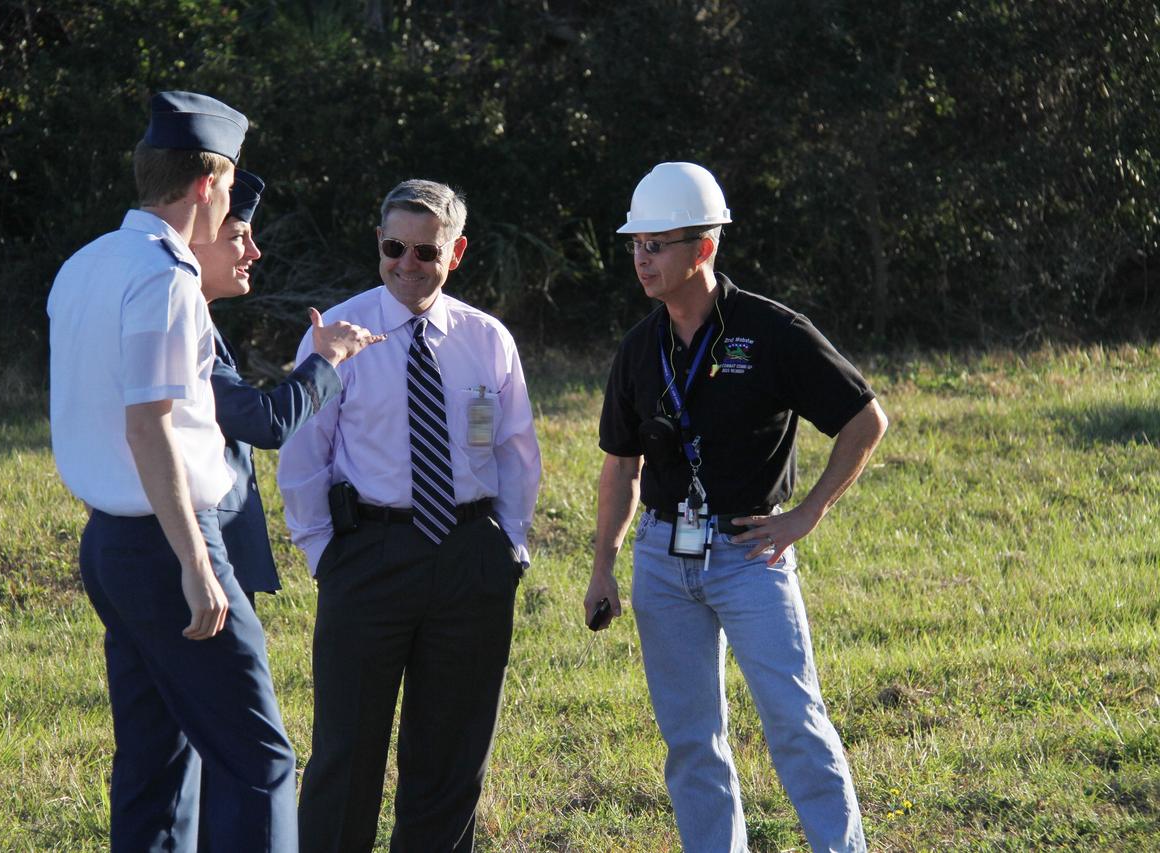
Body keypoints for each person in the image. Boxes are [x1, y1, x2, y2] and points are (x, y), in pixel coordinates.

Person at [582, 162, 887, 853]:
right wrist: (602, 567)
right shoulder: (639, 348)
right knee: (691, 741)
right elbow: (620, 467)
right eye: (636, 244)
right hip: (663, 559)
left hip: (753, 553)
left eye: (658, 244)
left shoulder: (772, 330)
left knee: (794, 722)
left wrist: (805, 514)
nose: (642, 258)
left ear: (705, 247)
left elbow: (866, 422)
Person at [48, 92, 298, 851]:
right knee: (259, 759)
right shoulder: (167, 276)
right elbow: (147, 424)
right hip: (167, 542)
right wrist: (196, 562)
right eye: (230, 188)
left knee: (157, 763)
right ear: (206, 184)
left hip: (111, 544)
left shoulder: (86, 263)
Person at [277, 178, 542, 852]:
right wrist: (325, 555)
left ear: (455, 254)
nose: (407, 263)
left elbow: (516, 453)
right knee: (346, 754)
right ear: (379, 243)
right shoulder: (335, 334)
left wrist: (508, 547)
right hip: (368, 554)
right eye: (395, 246)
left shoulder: (487, 340)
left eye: (426, 252)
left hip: (469, 559)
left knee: (451, 759)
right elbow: (304, 456)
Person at [192, 169, 382, 610]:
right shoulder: (186, 327)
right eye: (239, 237)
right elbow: (266, 423)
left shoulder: (198, 320)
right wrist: (328, 360)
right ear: (195, 240)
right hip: (202, 555)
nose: (255, 253)